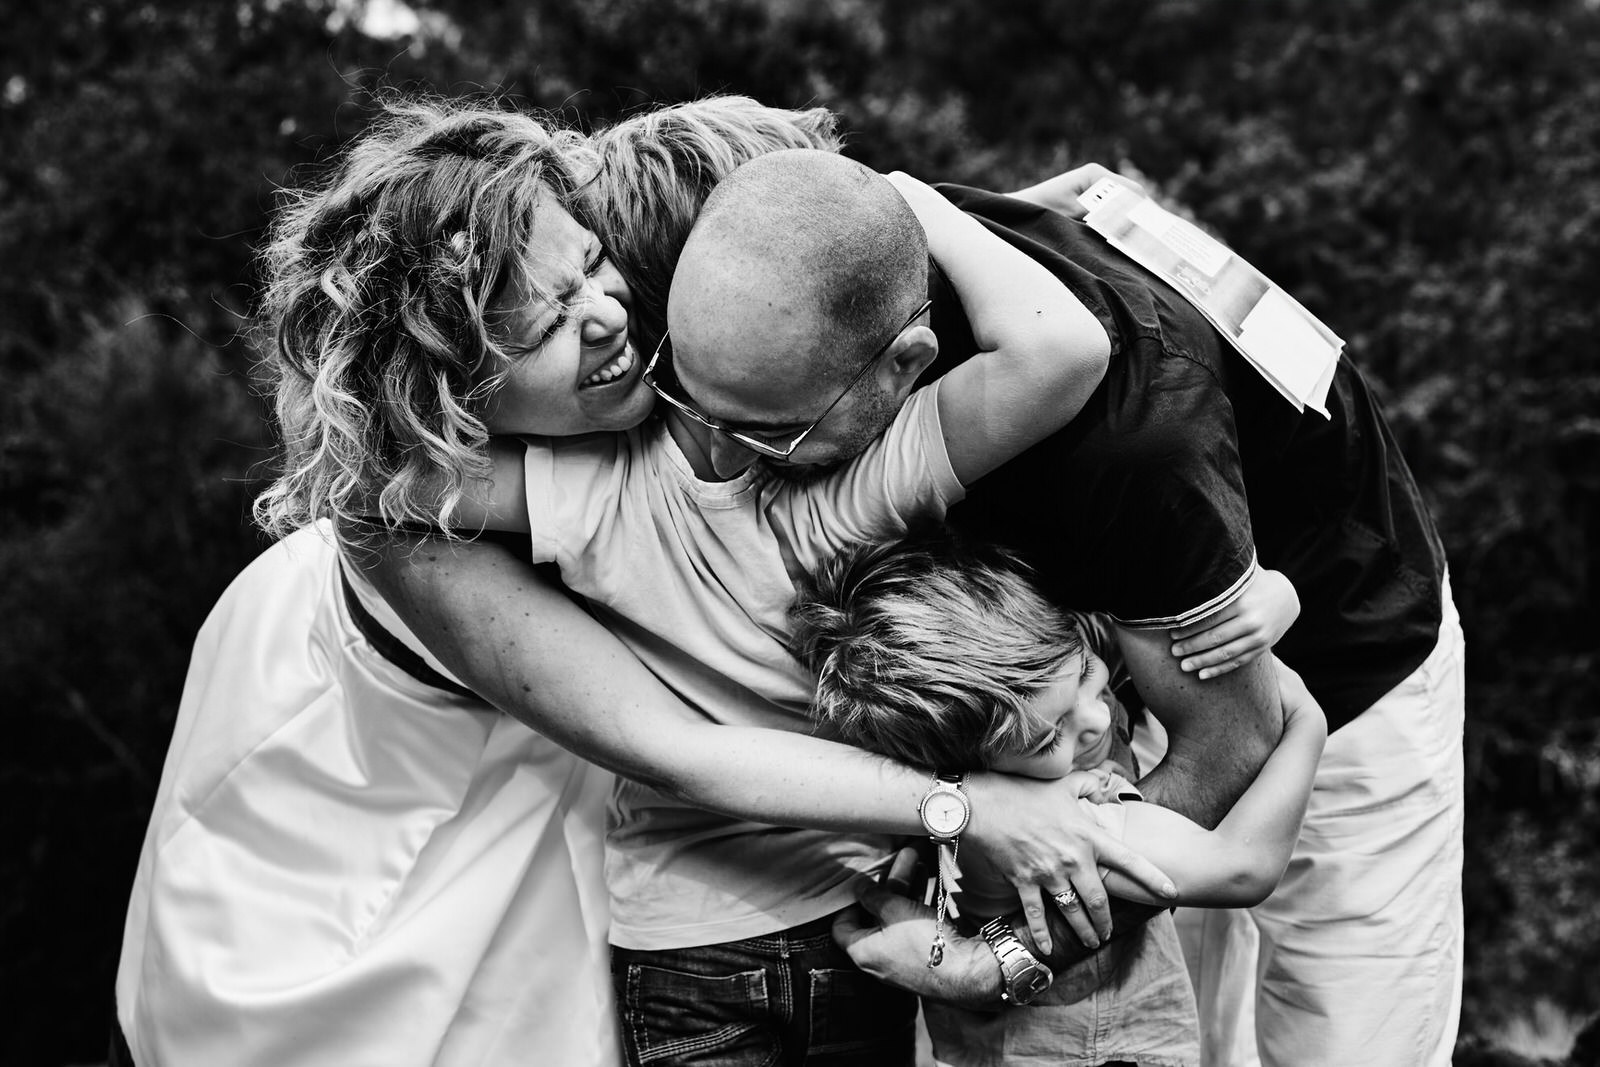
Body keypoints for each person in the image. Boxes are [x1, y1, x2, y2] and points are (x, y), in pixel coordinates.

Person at [115, 94, 1168, 1066]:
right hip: (434, 802)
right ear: (446, 394)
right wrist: (962, 808)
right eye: (537, 327)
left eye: (588, 268)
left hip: (660, 816)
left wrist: (959, 216)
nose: (605, 317)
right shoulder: (409, 515)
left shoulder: (666, 387)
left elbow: (806, 270)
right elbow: (674, 748)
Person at [729, 179, 1458, 1066]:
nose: (750, 456)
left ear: (898, 360)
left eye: (780, 430)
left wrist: (995, 961)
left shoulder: (1133, 443)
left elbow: (1237, 763)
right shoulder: (844, 244)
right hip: (1139, 681)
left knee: (1351, 1030)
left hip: (1341, 659)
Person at [430, 146, 1130, 1063]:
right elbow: (1062, 347)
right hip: (850, 910)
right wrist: (926, 202)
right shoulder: (865, 487)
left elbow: (378, 481)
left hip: (681, 932)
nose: (726, 437)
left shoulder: (590, 491)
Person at [791, 533, 1320, 1067]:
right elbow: (1244, 867)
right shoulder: (1064, 821)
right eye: (1049, 739)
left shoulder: (999, 731)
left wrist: (1268, 593)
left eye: (1087, 676)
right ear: (972, 767)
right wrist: (1306, 726)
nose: (1096, 720)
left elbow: (1118, 627)